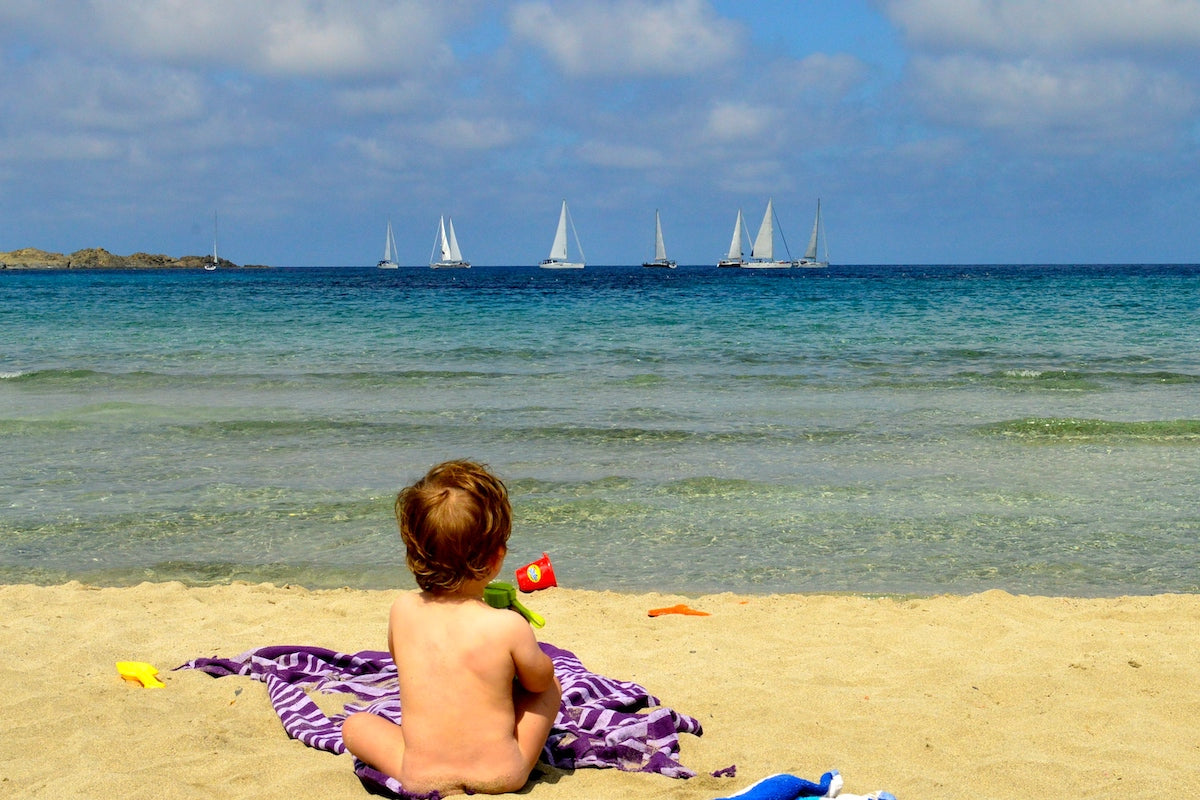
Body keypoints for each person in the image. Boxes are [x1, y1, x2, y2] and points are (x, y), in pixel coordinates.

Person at [342, 459, 562, 796]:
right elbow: (539, 681)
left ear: (414, 552)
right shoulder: (507, 625)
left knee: (354, 726)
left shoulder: (402, 610)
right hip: (503, 772)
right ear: (496, 558)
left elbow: (405, 663)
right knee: (550, 689)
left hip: (420, 776)